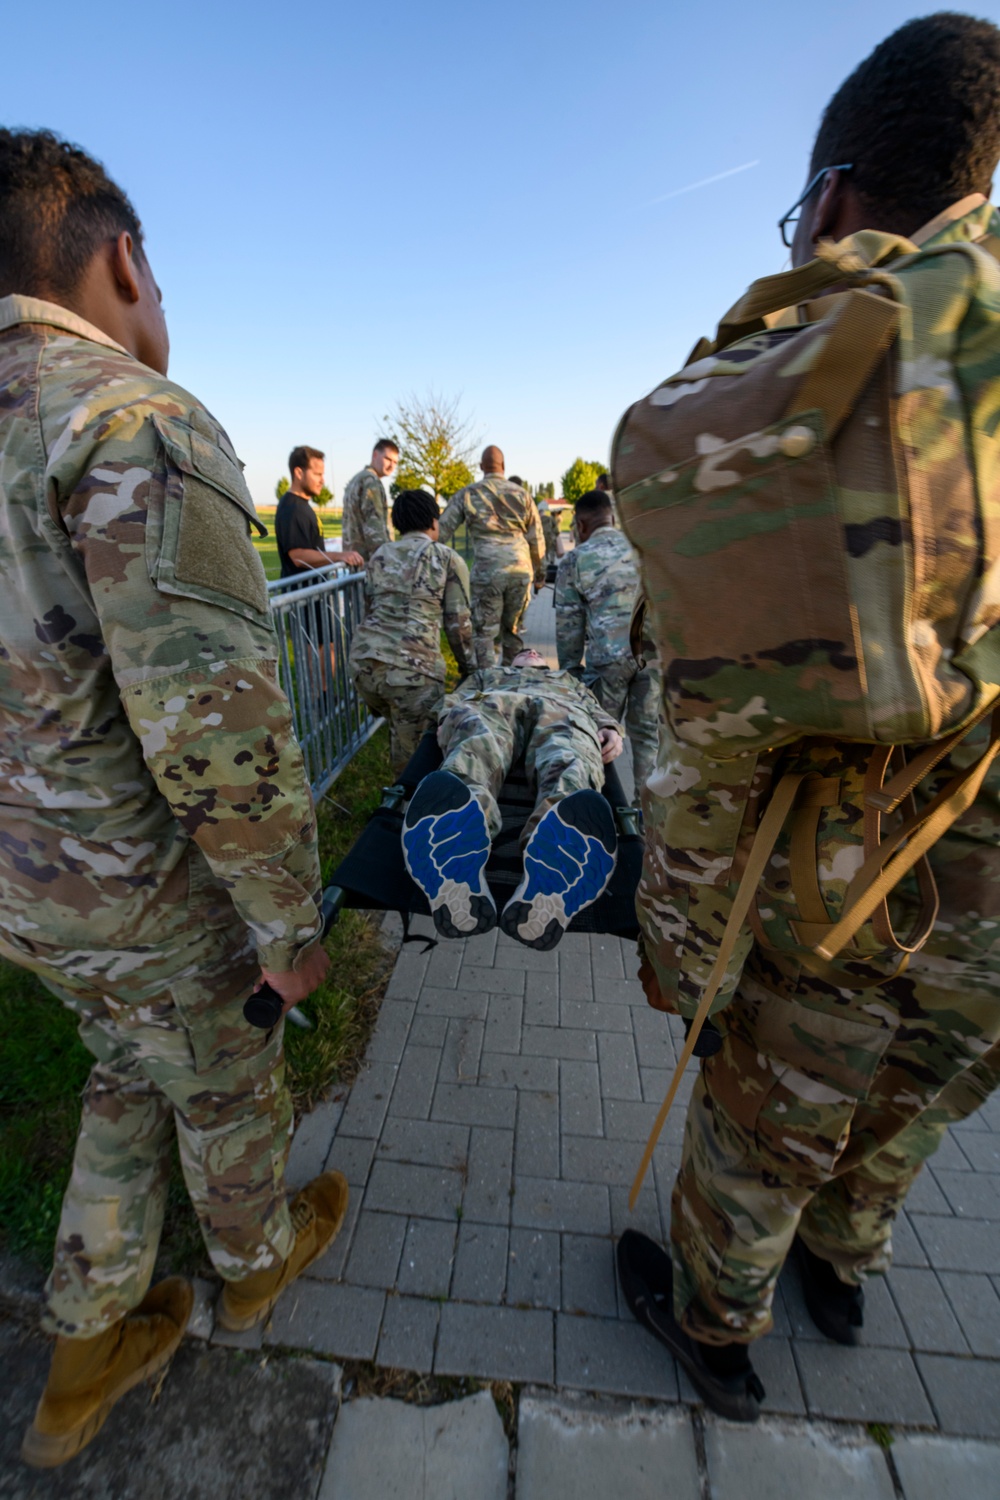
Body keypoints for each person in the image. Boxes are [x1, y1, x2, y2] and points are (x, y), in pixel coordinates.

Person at [616, 12, 1000, 1424]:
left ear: (835, 193)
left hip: (843, 879)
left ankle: (719, 1332)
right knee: (919, 1090)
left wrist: (685, 954)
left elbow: (715, 744)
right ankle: (851, 1266)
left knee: (771, 1115)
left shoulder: (841, 365)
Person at [0, 128, 349, 1469]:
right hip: (144, 894)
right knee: (223, 1079)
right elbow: (221, 736)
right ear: (124, 259)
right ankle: (257, 1262)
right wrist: (286, 925)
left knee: (123, 1072)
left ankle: (82, 1349)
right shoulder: (127, 416)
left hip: (29, 902)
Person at [402, 649, 623, 949]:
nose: (531, 651)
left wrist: (611, 729)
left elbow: (596, 710)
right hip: (493, 703)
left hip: (562, 709)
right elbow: (456, 698)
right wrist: (446, 717)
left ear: (545, 665)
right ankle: (456, 849)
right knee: (477, 743)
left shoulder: (569, 681)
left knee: (570, 758)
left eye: (536, 652)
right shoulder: (487, 675)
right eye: (523, 652)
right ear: (512, 662)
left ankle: (551, 868)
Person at [349, 488, 473, 774]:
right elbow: (459, 626)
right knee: (417, 760)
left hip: (364, 663)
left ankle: (398, 797)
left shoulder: (380, 555)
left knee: (401, 730)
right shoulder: (445, 557)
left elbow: (370, 609)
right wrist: (471, 670)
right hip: (412, 673)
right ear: (433, 521)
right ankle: (405, 811)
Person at [554, 489, 659, 799]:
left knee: (596, 739)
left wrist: (571, 680)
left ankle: (597, 816)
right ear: (611, 517)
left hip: (607, 664)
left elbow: (568, 629)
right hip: (652, 657)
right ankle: (645, 828)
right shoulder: (643, 549)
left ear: (581, 524)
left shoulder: (574, 560)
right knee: (648, 741)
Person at [438, 446, 545, 667]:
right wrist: (541, 574)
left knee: (484, 633)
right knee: (512, 631)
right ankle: (511, 681)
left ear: (481, 467)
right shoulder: (522, 494)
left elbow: (441, 531)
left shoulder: (468, 494)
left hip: (487, 570)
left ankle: (487, 686)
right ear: (504, 467)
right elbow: (537, 538)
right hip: (520, 568)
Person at [275, 445, 363, 578]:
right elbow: (298, 556)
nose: (322, 480)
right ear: (299, 473)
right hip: (301, 596)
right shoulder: (292, 508)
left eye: (323, 474)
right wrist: (341, 556)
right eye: (317, 474)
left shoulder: (302, 505)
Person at [341, 438, 399, 562]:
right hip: (369, 563)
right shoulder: (371, 481)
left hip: (354, 560)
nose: (391, 466)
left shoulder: (356, 479)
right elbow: (375, 527)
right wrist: (386, 560)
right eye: (388, 459)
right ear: (375, 455)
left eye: (395, 462)